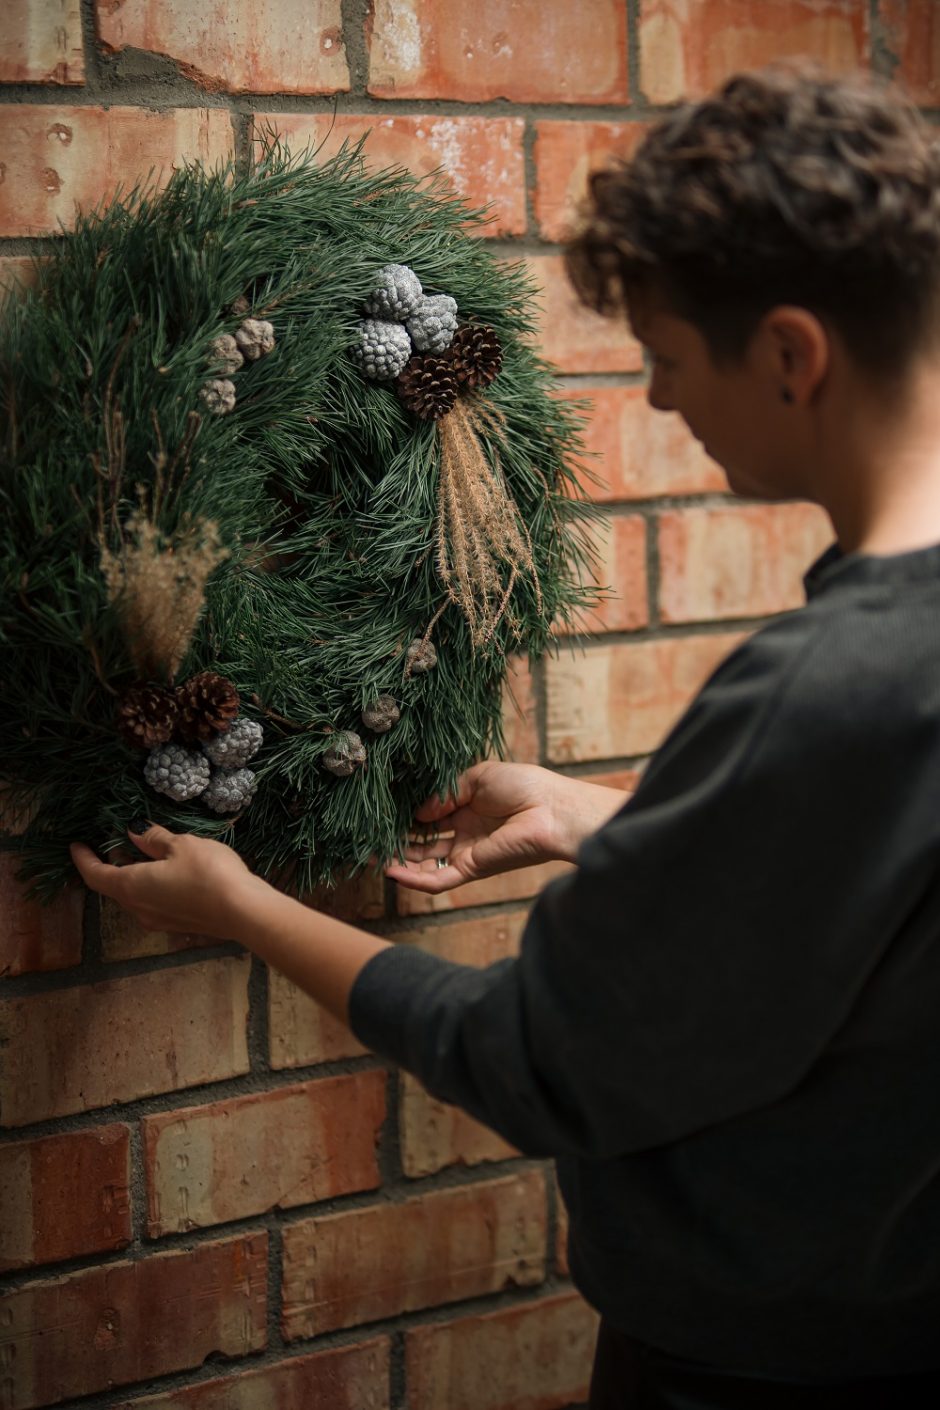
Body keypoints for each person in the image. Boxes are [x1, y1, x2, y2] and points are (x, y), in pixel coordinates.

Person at [71, 64, 940, 1408]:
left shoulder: (826, 688)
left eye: (665, 360)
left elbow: (533, 1060)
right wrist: (613, 823)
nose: (660, 406)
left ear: (789, 352)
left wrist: (243, 909)